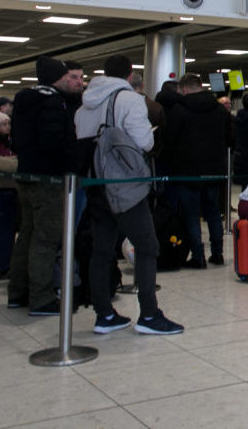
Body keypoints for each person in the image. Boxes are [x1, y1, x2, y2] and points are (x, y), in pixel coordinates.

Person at [75, 55, 183, 335]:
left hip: (95, 185)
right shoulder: (129, 100)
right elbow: (144, 142)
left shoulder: (84, 104)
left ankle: (104, 314)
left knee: (101, 249)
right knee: (147, 247)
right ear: (130, 73)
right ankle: (148, 314)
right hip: (124, 186)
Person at [7, 57, 78, 316]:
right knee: (46, 238)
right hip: (48, 178)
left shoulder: (24, 100)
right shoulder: (53, 102)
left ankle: (17, 291)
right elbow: (54, 142)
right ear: (57, 77)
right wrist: (69, 163)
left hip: (25, 173)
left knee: (26, 234)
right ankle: (41, 297)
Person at [165, 73, 234, 268]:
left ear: (184, 89)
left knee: (192, 214)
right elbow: (230, 138)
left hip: (188, 170)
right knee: (213, 211)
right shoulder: (220, 110)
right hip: (214, 169)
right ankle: (218, 253)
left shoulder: (179, 110)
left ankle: (198, 256)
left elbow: (170, 139)